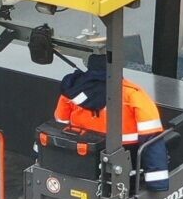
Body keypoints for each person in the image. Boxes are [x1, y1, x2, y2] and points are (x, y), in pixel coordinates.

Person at [53, 58, 173, 191]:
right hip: (125, 167)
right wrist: (157, 183)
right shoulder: (133, 95)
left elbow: (59, 129)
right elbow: (151, 140)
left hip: (82, 163)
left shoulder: (71, 92)